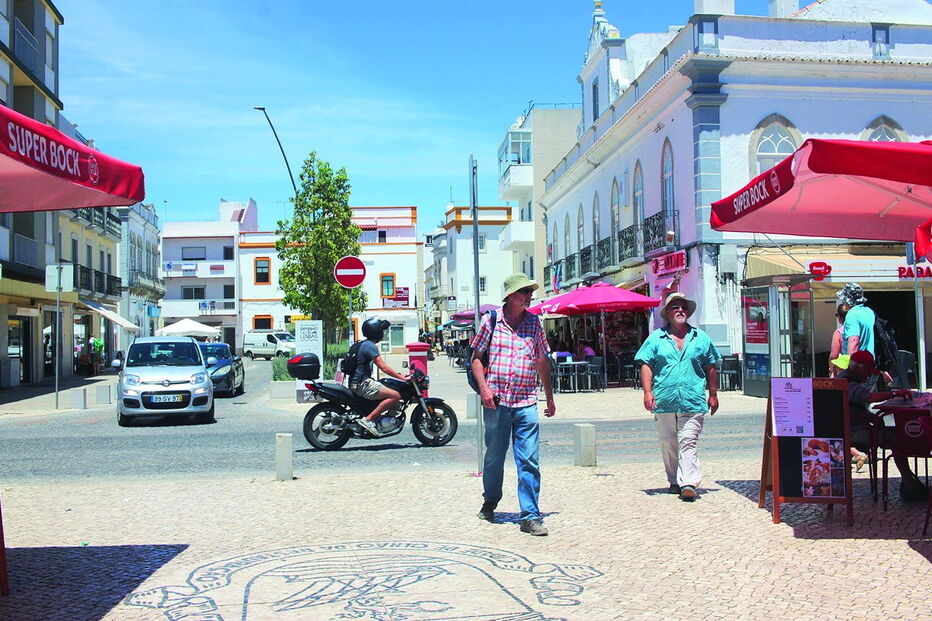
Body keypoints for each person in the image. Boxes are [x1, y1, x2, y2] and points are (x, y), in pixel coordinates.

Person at [471, 273, 556, 536]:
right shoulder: (491, 321)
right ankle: (491, 500)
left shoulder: (534, 324)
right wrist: (484, 389)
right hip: (496, 402)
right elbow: (476, 358)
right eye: (523, 292)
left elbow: (542, 360)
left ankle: (530, 515)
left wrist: (550, 397)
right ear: (510, 296)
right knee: (494, 457)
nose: (529, 296)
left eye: (530, 292)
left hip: (526, 400)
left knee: (529, 459)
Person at [635, 292, 721, 502]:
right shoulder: (656, 338)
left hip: (692, 398)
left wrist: (713, 394)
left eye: (683, 307)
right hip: (664, 398)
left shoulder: (701, 338)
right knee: (668, 442)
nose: (680, 310)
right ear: (668, 313)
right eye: (675, 307)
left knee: (688, 441)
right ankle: (674, 480)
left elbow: (711, 366)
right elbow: (646, 364)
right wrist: (647, 392)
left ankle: (689, 483)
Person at [837, 350, 928, 500]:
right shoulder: (847, 383)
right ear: (857, 367)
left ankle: (910, 481)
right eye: (867, 371)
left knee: (896, 434)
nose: (868, 376)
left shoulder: (844, 380)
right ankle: (909, 483)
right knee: (898, 438)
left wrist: (873, 417)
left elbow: (853, 410)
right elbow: (869, 397)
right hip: (853, 432)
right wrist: (894, 394)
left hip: (852, 427)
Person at [348, 318, 410, 437]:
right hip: (362, 383)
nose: (383, 333)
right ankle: (368, 420)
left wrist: (399, 375)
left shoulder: (363, 344)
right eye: (381, 330)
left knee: (389, 387)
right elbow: (384, 368)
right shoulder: (369, 346)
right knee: (395, 395)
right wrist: (402, 378)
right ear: (375, 332)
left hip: (358, 382)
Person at [828, 303, 850, 377]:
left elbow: (834, 355)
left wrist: (832, 370)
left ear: (839, 316)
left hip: (844, 369)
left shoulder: (839, 333)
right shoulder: (859, 330)